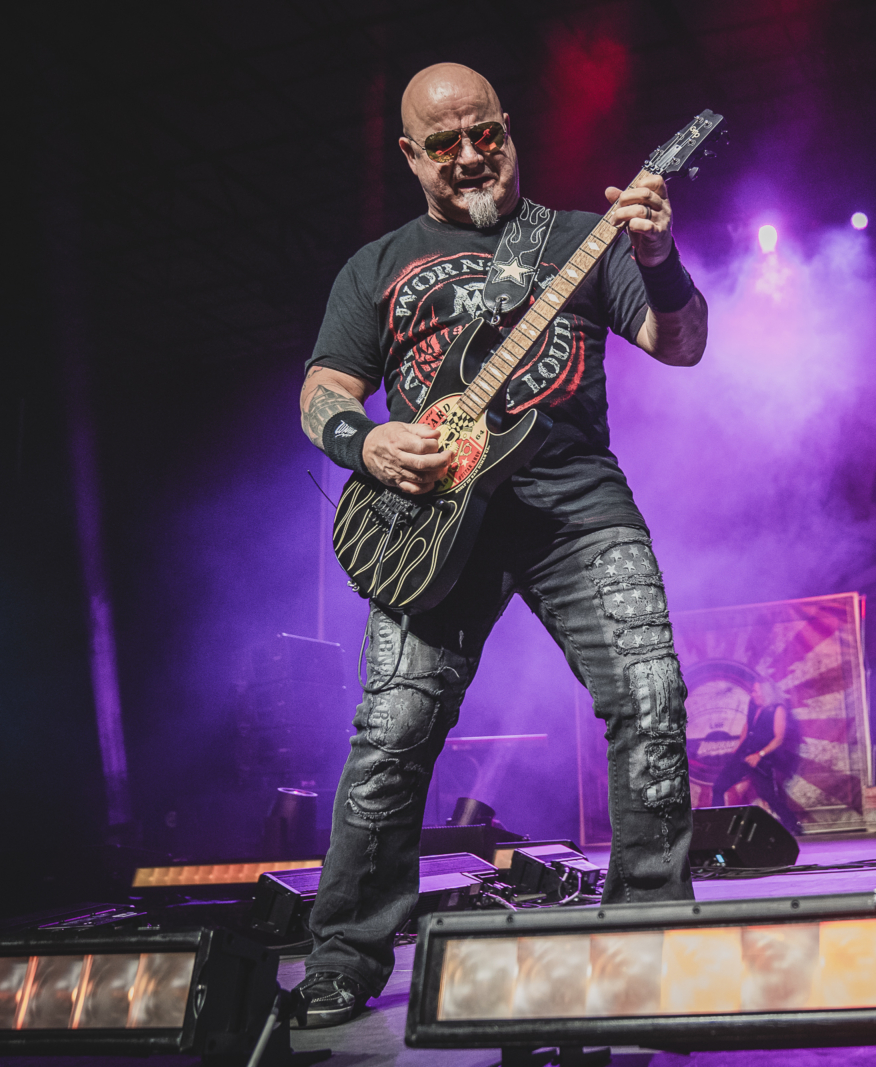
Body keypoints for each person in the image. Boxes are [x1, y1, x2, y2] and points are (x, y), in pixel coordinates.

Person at [293, 63, 708, 1028]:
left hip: (575, 509)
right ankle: (345, 951)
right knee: (392, 733)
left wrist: (658, 255)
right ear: (411, 154)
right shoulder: (379, 263)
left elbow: (681, 341)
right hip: (428, 522)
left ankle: (652, 930)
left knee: (649, 694)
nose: (472, 154)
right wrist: (366, 440)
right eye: (446, 143)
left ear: (510, 129)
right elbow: (322, 390)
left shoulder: (577, 237)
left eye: (488, 133)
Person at [709, 678, 802, 833]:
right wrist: (739, 746)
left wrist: (760, 754)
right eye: (753, 691)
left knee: (769, 796)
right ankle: (717, 828)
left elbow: (779, 738)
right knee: (719, 786)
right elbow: (747, 725)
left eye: (756, 691)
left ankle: (793, 825)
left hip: (762, 757)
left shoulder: (777, 709)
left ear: (765, 692)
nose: (753, 694)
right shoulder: (753, 706)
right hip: (744, 754)